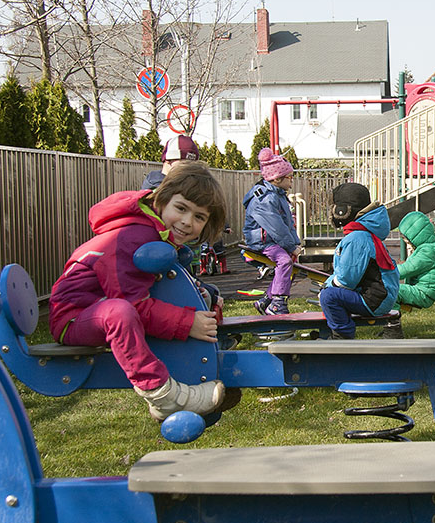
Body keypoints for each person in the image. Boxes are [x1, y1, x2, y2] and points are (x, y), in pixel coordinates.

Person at [50, 160, 239, 421]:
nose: (187, 222)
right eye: (181, 208)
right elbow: (132, 303)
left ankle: (199, 372)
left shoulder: (156, 235)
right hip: (73, 317)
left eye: (199, 217)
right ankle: (162, 395)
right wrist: (187, 322)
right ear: (161, 200)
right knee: (119, 313)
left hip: (96, 308)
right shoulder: (132, 237)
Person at [319, 182, 400, 339]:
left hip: (375, 299)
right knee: (330, 292)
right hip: (380, 297)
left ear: (344, 210)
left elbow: (347, 279)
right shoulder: (361, 232)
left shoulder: (357, 237)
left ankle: (342, 336)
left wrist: (327, 288)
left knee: (328, 297)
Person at [242, 148, 301, 316]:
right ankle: (277, 303)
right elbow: (276, 227)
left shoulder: (278, 194)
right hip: (262, 241)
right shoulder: (264, 198)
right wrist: (291, 247)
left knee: (289, 265)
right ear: (277, 178)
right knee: (284, 261)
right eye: (289, 177)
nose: (292, 181)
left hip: (272, 240)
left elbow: (288, 223)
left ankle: (267, 301)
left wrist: (295, 243)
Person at [396, 211, 435, 310]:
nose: (408, 247)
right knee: (390, 290)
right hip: (424, 290)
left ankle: (392, 316)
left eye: (409, 243)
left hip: (424, 293)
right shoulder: (430, 247)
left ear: (416, 237)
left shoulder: (428, 251)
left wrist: (385, 272)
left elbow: (407, 269)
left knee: (391, 291)